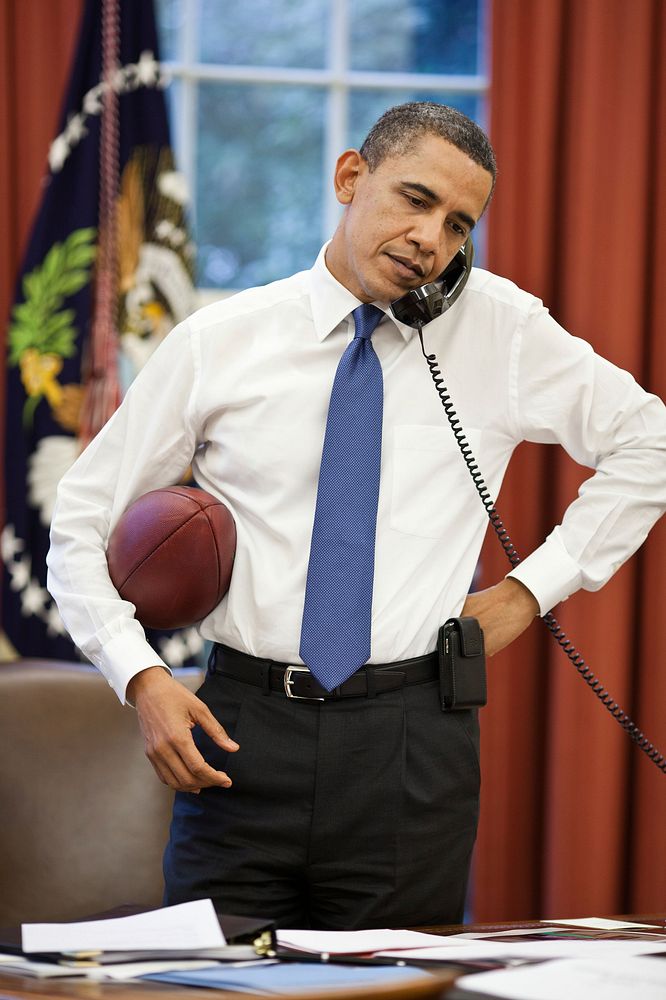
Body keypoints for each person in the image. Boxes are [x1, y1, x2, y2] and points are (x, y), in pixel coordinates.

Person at [47, 102, 666, 930]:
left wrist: (530, 591)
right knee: (201, 989)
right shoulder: (220, 341)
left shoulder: (501, 330)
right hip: (240, 739)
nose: (430, 239)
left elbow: (649, 442)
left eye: (457, 224)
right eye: (414, 200)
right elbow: (80, 521)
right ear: (350, 177)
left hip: (412, 749)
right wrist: (141, 675)